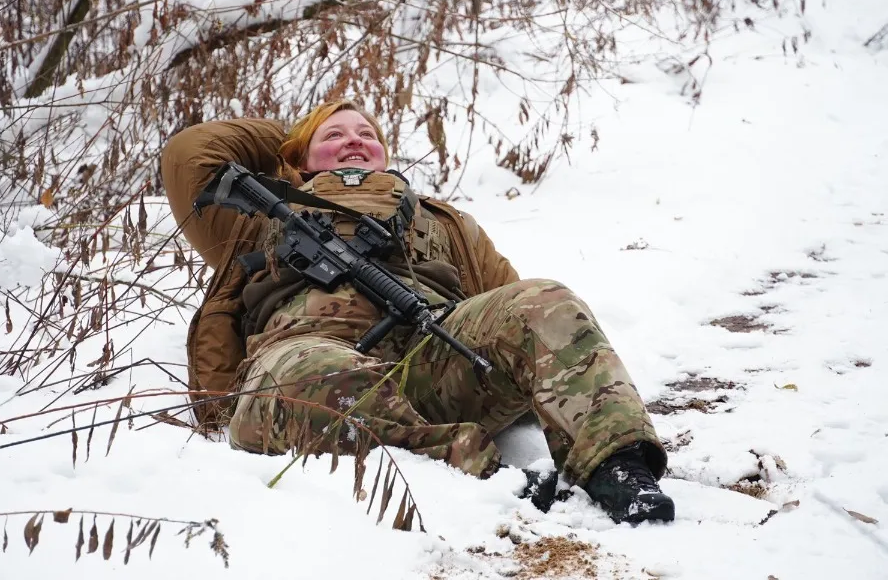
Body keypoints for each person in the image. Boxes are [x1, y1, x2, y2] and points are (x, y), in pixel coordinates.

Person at [161, 100, 675, 524]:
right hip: (303, 363)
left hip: (430, 361)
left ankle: (617, 467)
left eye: (367, 132)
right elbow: (189, 153)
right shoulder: (255, 213)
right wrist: (287, 141)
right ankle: (483, 475)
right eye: (333, 135)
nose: (354, 139)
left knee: (544, 299)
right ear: (300, 155)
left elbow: (521, 321)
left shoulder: (444, 222)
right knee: (316, 372)